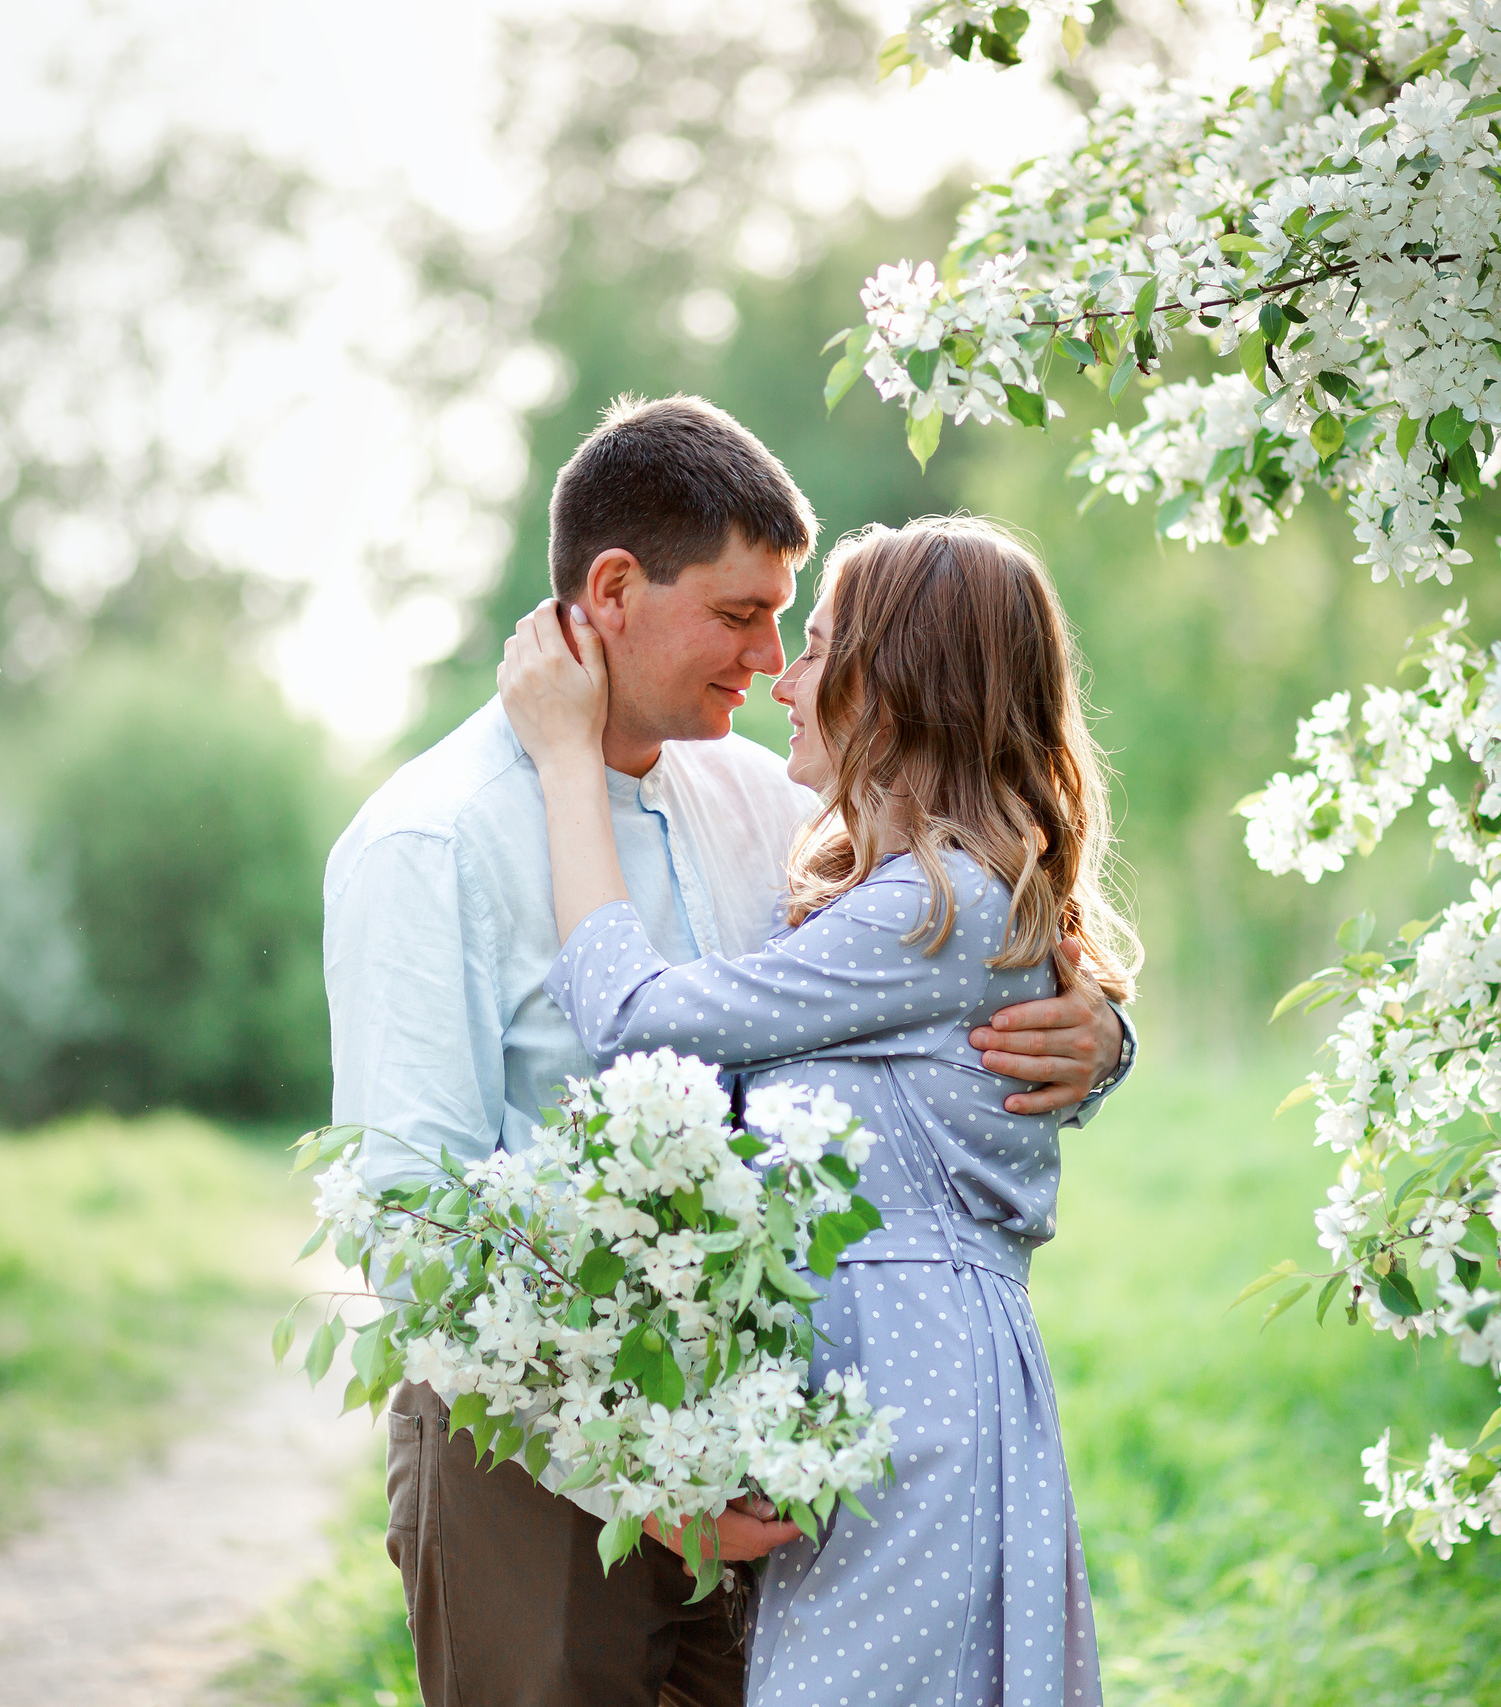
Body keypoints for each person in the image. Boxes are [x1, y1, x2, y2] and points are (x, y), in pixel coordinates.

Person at [324, 397, 1132, 1707]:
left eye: (791, 624)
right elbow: (406, 1217)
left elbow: (935, 978)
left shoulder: (765, 801)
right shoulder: (433, 843)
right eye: (742, 615)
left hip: (776, 1459)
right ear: (615, 590)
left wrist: (1100, 1035)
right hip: (539, 1469)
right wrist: (633, 1477)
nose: (770, 663)